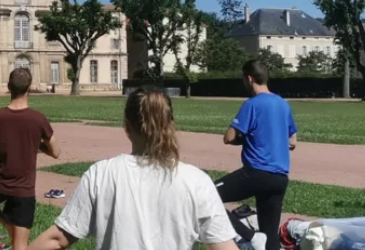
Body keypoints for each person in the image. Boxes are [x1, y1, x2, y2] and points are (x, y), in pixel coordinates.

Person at [26, 88, 240, 250]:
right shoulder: (197, 181)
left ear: (127, 127)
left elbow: (57, 238)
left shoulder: (102, 174)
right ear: (170, 125)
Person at [217, 60, 298, 250]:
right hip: (279, 179)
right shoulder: (282, 104)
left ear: (249, 78)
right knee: (270, 239)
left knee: (207, 196)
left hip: (256, 174)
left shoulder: (252, 104)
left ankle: (249, 235)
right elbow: (293, 141)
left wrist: (246, 139)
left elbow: (228, 137)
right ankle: (260, 240)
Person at [0, 68, 60, 250]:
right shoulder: (38, 119)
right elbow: (56, 151)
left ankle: (5, 223)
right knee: (20, 244)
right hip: (24, 190)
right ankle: (10, 226)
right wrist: (35, 143)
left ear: (9, 87)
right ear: (29, 88)